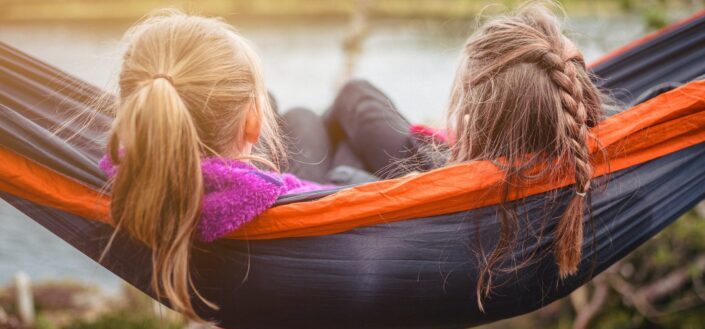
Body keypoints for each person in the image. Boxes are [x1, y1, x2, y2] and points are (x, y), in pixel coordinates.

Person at [98, 10, 331, 322]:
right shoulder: (288, 196)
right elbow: (344, 199)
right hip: (328, 199)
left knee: (293, 111)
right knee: (328, 108)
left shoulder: (124, 176)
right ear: (253, 122)